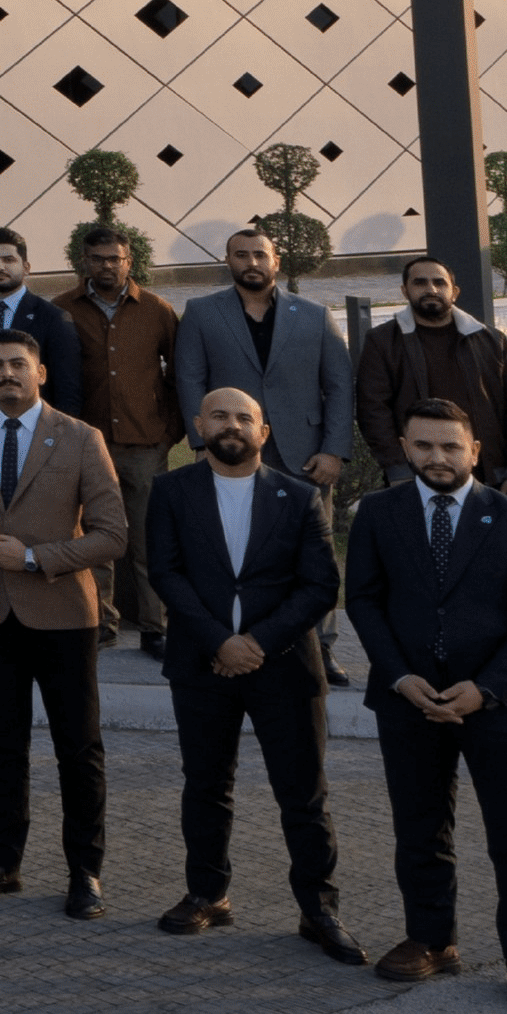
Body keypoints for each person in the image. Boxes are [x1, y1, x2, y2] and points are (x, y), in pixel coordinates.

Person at [353, 406, 507, 1012]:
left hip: (504, 703)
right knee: (420, 830)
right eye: (423, 446)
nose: (437, 458)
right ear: (404, 448)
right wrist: (398, 677)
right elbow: (365, 603)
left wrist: (486, 689)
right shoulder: (378, 514)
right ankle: (431, 939)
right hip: (410, 701)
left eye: (451, 446)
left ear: (475, 449)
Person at [146, 386, 360, 954]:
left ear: (264, 432)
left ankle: (319, 910)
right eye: (220, 415)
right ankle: (207, 895)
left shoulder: (299, 495)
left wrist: (257, 642)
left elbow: (320, 584)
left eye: (245, 417)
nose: (232, 424)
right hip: (202, 663)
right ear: (199, 426)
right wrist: (219, 640)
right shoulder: (171, 491)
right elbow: (165, 574)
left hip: (285, 665)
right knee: (206, 785)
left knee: (303, 794)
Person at [0, 329, 129, 916]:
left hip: (64, 616)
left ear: (40, 372)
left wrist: (38, 558)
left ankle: (85, 872)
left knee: (79, 749)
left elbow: (113, 535)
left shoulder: (81, 438)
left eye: (18, 364)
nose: (7, 373)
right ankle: (2, 862)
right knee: (3, 747)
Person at [179, 221, 360, 521]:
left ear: (276, 261)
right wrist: (202, 444)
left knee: (310, 547)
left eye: (260, 255)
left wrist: (334, 450)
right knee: (237, 541)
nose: (252, 262)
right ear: (228, 260)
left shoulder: (315, 315)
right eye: (241, 255)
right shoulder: (201, 313)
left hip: (306, 456)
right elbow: (190, 381)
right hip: (231, 448)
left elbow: (340, 385)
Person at [67, 226, 188, 645]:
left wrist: (170, 431)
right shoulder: (63, 309)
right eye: (98, 258)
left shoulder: (156, 309)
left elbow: (182, 374)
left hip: (145, 444)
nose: (106, 265)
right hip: (86, 443)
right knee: (95, 537)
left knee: (147, 539)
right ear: (85, 261)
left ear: (128, 261)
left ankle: (156, 627)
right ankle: (100, 621)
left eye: (114, 258)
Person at [356, 254, 507, 511]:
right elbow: (373, 412)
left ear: (454, 292)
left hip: (488, 476)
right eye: (420, 282)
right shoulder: (383, 342)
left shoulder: (491, 341)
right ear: (404, 291)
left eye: (439, 283)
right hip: (416, 475)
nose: (431, 289)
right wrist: (398, 470)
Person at [0, 225, 81, 419]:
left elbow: (68, 388)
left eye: (8, 260)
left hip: (34, 430)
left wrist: (59, 438)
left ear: (26, 267)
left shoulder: (53, 317)